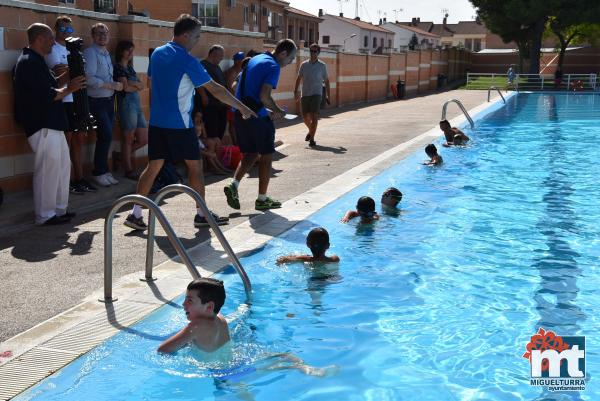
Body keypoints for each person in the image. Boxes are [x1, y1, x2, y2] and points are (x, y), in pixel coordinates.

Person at [124, 14, 255, 231]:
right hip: (179, 124)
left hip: (157, 122)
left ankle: (136, 214)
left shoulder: (157, 53)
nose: (198, 41)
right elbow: (215, 89)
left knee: (154, 165)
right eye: (196, 36)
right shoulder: (186, 60)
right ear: (185, 35)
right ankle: (201, 214)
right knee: (196, 166)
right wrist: (241, 107)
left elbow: (152, 82)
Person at [13, 23, 86, 225]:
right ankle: (45, 215)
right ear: (39, 39)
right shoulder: (28, 62)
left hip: (52, 123)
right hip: (42, 125)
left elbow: (51, 84)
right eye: (50, 38)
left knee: (62, 167)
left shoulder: (37, 61)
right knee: (48, 170)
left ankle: (59, 210)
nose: (53, 42)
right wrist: (70, 87)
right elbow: (47, 95)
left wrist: (69, 75)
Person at [224, 39, 297, 212]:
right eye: (291, 58)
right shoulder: (273, 66)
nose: (290, 62)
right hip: (257, 117)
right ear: (283, 53)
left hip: (241, 115)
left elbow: (235, 86)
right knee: (266, 156)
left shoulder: (255, 59)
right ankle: (262, 199)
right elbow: (264, 96)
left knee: (251, 153)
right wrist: (278, 111)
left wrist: (253, 107)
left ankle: (233, 184)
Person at [45, 16, 96, 195]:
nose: (67, 33)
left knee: (79, 140)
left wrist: (75, 70)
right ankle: (65, 181)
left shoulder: (75, 50)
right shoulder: (53, 49)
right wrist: (74, 69)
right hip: (64, 100)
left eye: (69, 30)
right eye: (63, 29)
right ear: (56, 29)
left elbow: (81, 73)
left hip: (78, 99)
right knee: (65, 142)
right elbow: (60, 71)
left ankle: (79, 178)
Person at [84, 23, 123, 187]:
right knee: (105, 135)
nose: (103, 36)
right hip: (97, 101)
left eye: (105, 33)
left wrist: (113, 85)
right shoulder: (90, 53)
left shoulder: (106, 53)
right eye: (99, 33)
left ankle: (104, 171)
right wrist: (110, 85)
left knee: (107, 136)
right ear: (93, 36)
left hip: (108, 101)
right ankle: (99, 172)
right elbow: (89, 78)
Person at [158, 278, 230, 353]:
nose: (183, 304)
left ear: (209, 307)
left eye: (190, 301)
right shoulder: (221, 318)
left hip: (204, 364)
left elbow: (162, 350)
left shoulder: (197, 326)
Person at [114, 40, 148, 180]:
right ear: (121, 51)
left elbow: (141, 85)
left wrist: (133, 84)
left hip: (136, 105)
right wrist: (135, 85)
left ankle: (120, 156)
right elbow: (126, 88)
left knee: (144, 139)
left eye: (132, 51)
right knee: (128, 139)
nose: (131, 53)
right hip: (126, 105)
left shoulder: (129, 68)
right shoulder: (118, 67)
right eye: (128, 50)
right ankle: (128, 170)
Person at [294, 43, 330, 147]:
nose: (313, 53)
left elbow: (326, 81)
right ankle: (311, 131)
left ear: (318, 53)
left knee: (314, 116)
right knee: (305, 117)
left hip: (317, 94)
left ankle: (312, 139)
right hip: (305, 93)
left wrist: (328, 95)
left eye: (315, 51)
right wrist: (295, 91)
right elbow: (299, 78)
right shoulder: (304, 64)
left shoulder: (322, 66)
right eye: (311, 51)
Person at [197, 45, 228, 151]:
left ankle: (217, 161)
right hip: (210, 106)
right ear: (214, 54)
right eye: (221, 56)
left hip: (220, 106)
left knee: (219, 134)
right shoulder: (203, 65)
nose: (222, 59)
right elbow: (198, 82)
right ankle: (212, 162)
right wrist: (203, 95)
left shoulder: (217, 67)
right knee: (212, 135)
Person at [194, 110, 231, 175]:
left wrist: (202, 127)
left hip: (199, 142)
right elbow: (195, 138)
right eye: (197, 116)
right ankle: (216, 169)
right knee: (211, 152)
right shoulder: (191, 125)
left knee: (214, 148)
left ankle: (221, 167)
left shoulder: (200, 124)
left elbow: (204, 136)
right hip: (196, 143)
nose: (198, 118)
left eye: (200, 117)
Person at [223, 51, 246, 145]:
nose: (243, 62)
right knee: (232, 123)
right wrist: (237, 102)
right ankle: (236, 143)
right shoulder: (232, 72)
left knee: (238, 123)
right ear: (237, 61)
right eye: (242, 60)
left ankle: (240, 142)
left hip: (236, 102)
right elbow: (230, 89)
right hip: (232, 102)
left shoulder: (240, 71)